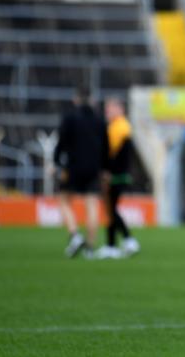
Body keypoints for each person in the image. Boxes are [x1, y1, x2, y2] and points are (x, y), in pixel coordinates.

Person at [54, 86, 107, 259]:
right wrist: (104, 168)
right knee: (91, 204)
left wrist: (56, 162)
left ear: (76, 99)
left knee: (63, 199)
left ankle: (75, 235)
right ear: (91, 99)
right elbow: (105, 146)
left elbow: (61, 141)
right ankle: (90, 248)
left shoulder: (70, 118)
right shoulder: (99, 119)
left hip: (73, 166)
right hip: (94, 167)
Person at [95, 97, 140, 259]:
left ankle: (128, 240)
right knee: (111, 209)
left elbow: (113, 154)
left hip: (116, 175)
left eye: (111, 108)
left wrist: (107, 171)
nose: (108, 112)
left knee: (111, 209)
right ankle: (112, 245)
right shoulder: (119, 126)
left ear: (120, 109)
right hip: (118, 174)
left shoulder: (119, 127)